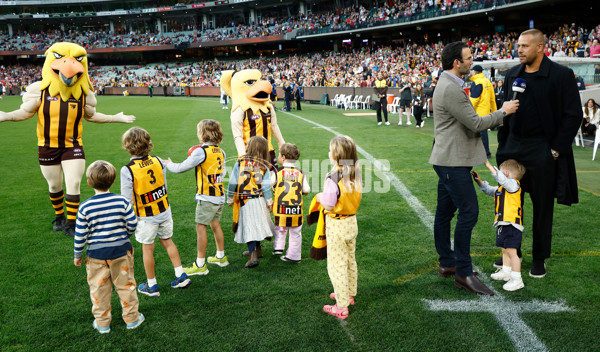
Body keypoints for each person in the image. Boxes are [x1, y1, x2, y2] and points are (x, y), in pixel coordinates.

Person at [0, 42, 135, 238]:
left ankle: (72, 223)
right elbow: (25, 112)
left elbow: (91, 116)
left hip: (73, 146)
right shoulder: (41, 91)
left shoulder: (83, 94)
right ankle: (59, 216)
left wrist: (116, 117)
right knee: (55, 186)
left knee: (73, 183)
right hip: (47, 146)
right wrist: (6, 115)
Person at [429, 41, 519, 296]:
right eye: (468, 58)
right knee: (468, 212)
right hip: (452, 162)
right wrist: (504, 111)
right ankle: (463, 272)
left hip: (448, 160)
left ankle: (448, 264)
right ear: (456, 62)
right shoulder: (451, 88)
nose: (472, 61)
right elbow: (476, 123)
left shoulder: (448, 84)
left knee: (445, 213)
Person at [497, 29, 582, 278]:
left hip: (542, 149)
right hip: (513, 147)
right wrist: (504, 144)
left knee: (542, 207)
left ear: (540, 47)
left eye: (524, 46)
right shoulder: (513, 74)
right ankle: (512, 253)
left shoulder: (561, 75)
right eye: (518, 46)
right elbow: (505, 110)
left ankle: (539, 258)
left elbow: (573, 114)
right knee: (509, 205)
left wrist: (555, 150)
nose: (519, 50)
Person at [74, 160, 145, 334]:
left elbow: (80, 234)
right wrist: (124, 235)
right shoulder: (122, 202)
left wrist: (77, 254)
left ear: (89, 182)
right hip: (121, 252)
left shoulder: (85, 207)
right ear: (113, 181)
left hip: (95, 255)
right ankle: (132, 319)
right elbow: (133, 224)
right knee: (126, 286)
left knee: (99, 289)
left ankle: (103, 323)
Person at [120, 127, 191, 297]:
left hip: (146, 216)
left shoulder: (127, 169)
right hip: (164, 210)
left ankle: (151, 285)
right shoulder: (159, 160)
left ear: (128, 146)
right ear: (148, 143)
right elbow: (163, 185)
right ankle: (180, 275)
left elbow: (126, 200)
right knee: (167, 241)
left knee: (147, 248)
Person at [166, 120, 228, 275]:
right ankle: (220, 257)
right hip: (220, 195)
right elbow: (223, 173)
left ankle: (200, 265)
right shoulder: (221, 151)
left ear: (202, 134)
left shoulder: (200, 152)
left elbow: (181, 168)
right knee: (216, 225)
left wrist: (169, 164)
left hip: (207, 197)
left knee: (201, 228)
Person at [317, 135, 362, 319]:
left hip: (337, 225)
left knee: (337, 264)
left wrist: (319, 197)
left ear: (335, 156)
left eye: (330, 150)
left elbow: (328, 204)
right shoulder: (355, 173)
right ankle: (349, 293)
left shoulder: (333, 177)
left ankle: (341, 305)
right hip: (352, 222)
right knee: (350, 259)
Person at [472, 159, 527, 291]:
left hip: (512, 224)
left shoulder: (514, 185)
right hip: (503, 223)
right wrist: (479, 181)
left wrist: (489, 165)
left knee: (512, 252)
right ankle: (506, 271)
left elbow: (502, 180)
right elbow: (490, 190)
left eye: (500, 173)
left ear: (506, 173)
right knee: (504, 249)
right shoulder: (502, 188)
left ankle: (517, 279)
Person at [227, 136, 275, 268]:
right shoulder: (263, 165)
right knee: (257, 225)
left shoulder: (240, 163)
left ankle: (252, 256)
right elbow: (265, 187)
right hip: (259, 200)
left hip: (246, 201)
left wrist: (230, 198)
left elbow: (232, 184)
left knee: (249, 227)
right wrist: (269, 202)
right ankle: (258, 250)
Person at [271, 143, 310, 262]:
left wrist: (275, 188)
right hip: (296, 209)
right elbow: (307, 190)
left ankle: (278, 247)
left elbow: (269, 184)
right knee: (295, 232)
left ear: (283, 157)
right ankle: (293, 255)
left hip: (281, 209)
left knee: (280, 227)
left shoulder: (278, 171)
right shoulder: (300, 172)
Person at [469, 65, 498, 158]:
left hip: (477, 113)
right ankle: (486, 152)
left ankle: (482, 153)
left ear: (474, 72)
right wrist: (495, 112)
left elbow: (474, 100)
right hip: (485, 113)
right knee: (483, 134)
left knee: (477, 134)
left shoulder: (477, 82)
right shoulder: (487, 81)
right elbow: (492, 99)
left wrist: (467, 111)